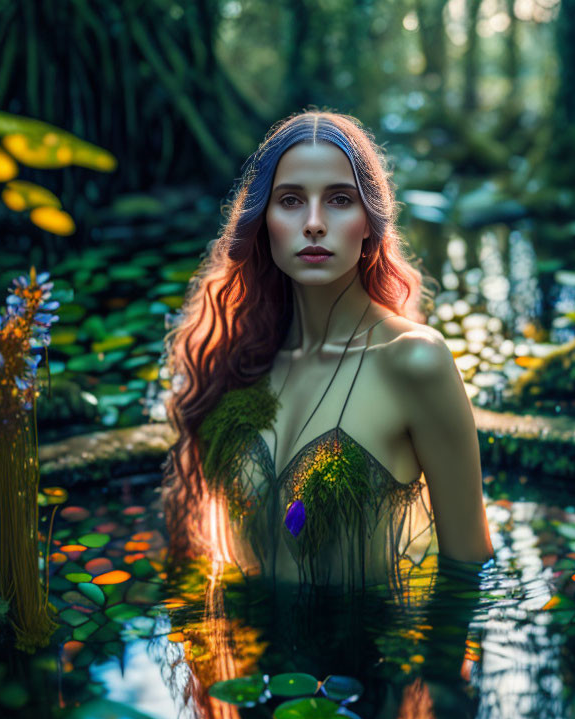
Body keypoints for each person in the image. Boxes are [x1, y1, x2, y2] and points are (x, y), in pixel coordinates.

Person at [163, 109, 493, 590]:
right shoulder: (245, 360)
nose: (314, 224)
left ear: (368, 223)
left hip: (365, 659)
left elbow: (469, 570)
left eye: (339, 199)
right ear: (263, 221)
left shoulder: (415, 362)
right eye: (291, 200)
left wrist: (436, 665)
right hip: (247, 656)